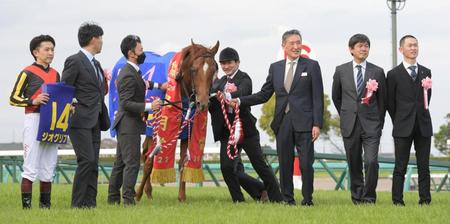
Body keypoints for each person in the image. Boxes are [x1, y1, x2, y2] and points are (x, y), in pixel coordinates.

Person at [231, 29, 324, 206]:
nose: (296, 46)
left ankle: (307, 199)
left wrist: (317, 123)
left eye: (299, 43)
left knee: (305, 164)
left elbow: (317, 97)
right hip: (283, 122)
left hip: (305, 122)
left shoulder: (311, 66)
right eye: (292, 43)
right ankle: (287, 199)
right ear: (284, 46)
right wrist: (239, 100)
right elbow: (264, 94)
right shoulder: (276, 67)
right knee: (285, 163)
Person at [209, 47, 283, 203]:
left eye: (229, 63)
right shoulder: (219, 82)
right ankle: (238, 200)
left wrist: (226, 96)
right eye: (222, 63)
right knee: (227, 167)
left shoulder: (244, 78)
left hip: (246, 130)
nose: (226, 66)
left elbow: (243, 92)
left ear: (237, 62)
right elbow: (210, 100)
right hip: (227, 132)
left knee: (260, 165)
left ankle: (277, 197)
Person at [107, 35, 163, 206]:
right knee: (131, 163)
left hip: (127, 124)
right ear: (132, 53)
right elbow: (126, 103)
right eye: (140, 50)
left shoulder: (133, 72)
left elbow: (143, 85)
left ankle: (113, 198)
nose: (142, 52)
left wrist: (159, 87)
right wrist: (149, 107)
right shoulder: (128, 74)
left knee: (120, 163)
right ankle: (128, 200)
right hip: (128, 124)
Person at [331, 34, 386, 204]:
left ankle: (369, 197)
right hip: (350, 124)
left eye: (366, 46)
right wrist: (347, 114)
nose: (364, 49)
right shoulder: (340, 70)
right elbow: (336, 97)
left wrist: (379, 122)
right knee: (354, 162)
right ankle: (357, 197)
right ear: (351, 50)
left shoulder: (377, 71)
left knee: (371, 161)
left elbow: (383, 101)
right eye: (360, 46)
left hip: (372, 125)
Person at [61, 22, 110, 208]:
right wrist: (71, 104)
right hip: (80, 120)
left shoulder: (96, 64)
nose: (102, 42)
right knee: (86, 160)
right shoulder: (74, 60)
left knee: (94, 163)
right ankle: (78, 204)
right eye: (101, 38)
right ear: (93, 39)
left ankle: (90, 204)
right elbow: (65, 88)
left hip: (96, 119)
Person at [9, 35, 59, 209]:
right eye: (47, 49)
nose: (51, 53)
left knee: (48, 167)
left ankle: (45, 208)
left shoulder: (55, 73)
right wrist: (33, 101)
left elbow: (58, 98)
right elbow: (13, 98)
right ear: (35, 52)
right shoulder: (27, 72)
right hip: (34, 119)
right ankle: (27, 209)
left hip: (52, 122)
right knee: (30, 167)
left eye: (52, 49)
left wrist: (68, 107)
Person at [387, 35, 433, 206]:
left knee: (424, 166)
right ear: (401, 50)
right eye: (410, 45)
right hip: (402, 126)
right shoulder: (393, 75)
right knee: (400, 167)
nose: (413, 48)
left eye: (416, 45)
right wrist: (400, 119)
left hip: (423, 126)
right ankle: (397, 200)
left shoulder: (425, 72)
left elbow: (427, 98)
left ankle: (425, 200)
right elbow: (390, 103)